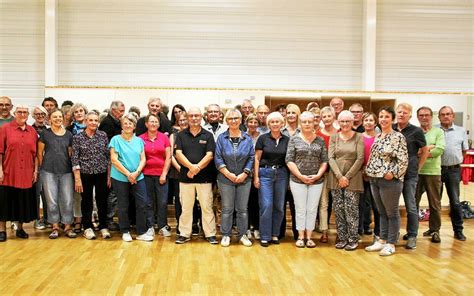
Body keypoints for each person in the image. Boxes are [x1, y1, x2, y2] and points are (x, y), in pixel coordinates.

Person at [365, 106, 408, 256]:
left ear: (393, 119)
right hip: (374, 178)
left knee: (392, 212)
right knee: (381, 211)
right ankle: (382, 240)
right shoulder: (378, 136)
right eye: (381, 116)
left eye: (387, 117)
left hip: (389, 180)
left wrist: (393, 173)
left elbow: (403, 160)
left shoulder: (398, 137)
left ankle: (391, 243)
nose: (383, 119)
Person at [174, 107, 218, 244]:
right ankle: (184, 233)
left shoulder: (208, 135)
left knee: (207, 207)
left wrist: (197, 168)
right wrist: (191, 167)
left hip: (204, 178)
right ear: (187, 117)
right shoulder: (180, 135)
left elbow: (210, 155)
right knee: (186, 207)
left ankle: (210, 233)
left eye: (197, 116)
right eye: (191, 116)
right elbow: (178, 154)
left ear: (201, 117)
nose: (194, 118)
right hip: (186, 178)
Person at [286, 111, 328, 248]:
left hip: (317, 181)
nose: (307, 124)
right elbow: (289, 160)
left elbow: (324, 161)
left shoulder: (320, 140)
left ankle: (309, 237)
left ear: (314, 123)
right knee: (300, 208)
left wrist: (318, 175)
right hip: (297, 180)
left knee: (312, 209)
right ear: (300, 123)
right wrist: (300, 176)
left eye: (310, 121)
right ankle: (300, 236)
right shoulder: (294, 139)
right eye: (304, 122)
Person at [215, 109, 255, 247]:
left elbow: (251, 157)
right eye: (230, 118)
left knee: (242, 209)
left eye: (236, 118)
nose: (233, 121)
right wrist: (229, 174)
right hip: (225, 179)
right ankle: (226, 235)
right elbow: (218, 158)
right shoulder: (221, 138)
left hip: (244, 179)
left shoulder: (247, 138)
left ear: (240, 120)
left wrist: (245, 173)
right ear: (226, 121)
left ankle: (242, 234)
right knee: (227, 208)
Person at [109, 113, 152, 242]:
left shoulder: (139, 141)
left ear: (134, 126)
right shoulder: (115, 140)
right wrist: (128, 174)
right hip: (120, 177)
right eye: (125, 123)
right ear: (122, 125)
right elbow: (114, 160)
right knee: (123, 205)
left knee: (142, 203)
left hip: (138, 176)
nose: (128, 125)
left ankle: (141, 231)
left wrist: (136, 173)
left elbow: (143, 158)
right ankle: (125, 230)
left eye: (130, 123)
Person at [0, 105, 38, 242]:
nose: (22, 114)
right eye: (19, 112)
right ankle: (2, 230)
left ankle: (20, 228)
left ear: (28, 115)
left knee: (22, 201)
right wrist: (0, 170)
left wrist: (35, 171)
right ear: (14, 113)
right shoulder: (5, 129)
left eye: (25, 112)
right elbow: (0, 151)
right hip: (9, 172)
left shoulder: (32, 131)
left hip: (27, 172)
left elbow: (36, 155)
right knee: (4, 201)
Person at [328, 111, 364, 251]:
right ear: (338, 122)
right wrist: (339, 176)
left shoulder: (358, 137)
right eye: (342, 121)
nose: (345, 124)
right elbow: (330, 157)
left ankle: (353, 238)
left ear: (352, 122)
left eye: (347, 121)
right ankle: (342, 237)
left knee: (351, 209)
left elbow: (360, 158)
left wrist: (346, 177)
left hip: (353, 179)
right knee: (338, 209)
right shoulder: (334, 137)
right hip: (335, 178)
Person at [393, 103, 428, 249]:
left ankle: (412, 235)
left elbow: (424, 151)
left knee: (411, 207)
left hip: (410, 174)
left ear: (410, 115)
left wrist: (418, 168)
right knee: (392, 207)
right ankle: (393, 235)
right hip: (393, 174)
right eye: (399, 112)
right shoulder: (391, 128)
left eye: (405, 113)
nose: (401, 114)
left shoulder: (416, 131)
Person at [72, 111, 111, 240]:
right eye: (91, 120)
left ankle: (103, 226)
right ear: (85, 122)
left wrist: (109, 176)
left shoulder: (103, 135)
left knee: (102, 201)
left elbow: (107, 156)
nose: (93, 123)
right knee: (87, 201)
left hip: (101, 173)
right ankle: (87, 227)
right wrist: (77, 179)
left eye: (96, 120)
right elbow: (75, 158)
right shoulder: (78, 137)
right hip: (85, 174)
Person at [38, 109, 77, 239]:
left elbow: (71, 154)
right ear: (50, 119)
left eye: (60, 116)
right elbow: (40, 153)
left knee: (67, 200)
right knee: (51, 200)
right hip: (48, 171)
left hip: (66, 171)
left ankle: (67, 226)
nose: (58, 119)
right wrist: (43, 168)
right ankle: (55, 226)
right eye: (55, 117)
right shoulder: (45, 133)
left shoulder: (69, 135)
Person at [254, 112, 289, 247]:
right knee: (266, 205)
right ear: (268, 124)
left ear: (282, 123)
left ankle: (274, 234)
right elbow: (257, 159)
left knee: (279, 207)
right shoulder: (262, 138)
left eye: (277, 121)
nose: (275, 124)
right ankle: (265, 236)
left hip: (281, 174)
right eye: (272, 122)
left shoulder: (287, 140)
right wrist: (256, 177)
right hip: (265, 173)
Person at [436, 106, 467, 241]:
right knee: (435, 201)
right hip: (436, 170)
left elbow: (464, 151)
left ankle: (458, 230)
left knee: (455, 201)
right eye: (442, 114)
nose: (445, 116)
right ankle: (434, 230)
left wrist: (455, 161)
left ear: (453, 116)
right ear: (439, 117)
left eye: (448, 114)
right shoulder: (434, 130)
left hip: (454, 170)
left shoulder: (460, 131)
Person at [415, 106, 445, 243]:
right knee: (413, 203)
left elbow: (439, 150)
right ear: (417, 117)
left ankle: (435, 230)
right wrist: (428, 148)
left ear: (431, 116)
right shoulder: (415, 132)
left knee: (434, 204)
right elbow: (412, 151)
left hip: (433, 173)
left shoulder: (438, 132)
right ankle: (412, 231)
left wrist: (422, 151)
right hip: (416, 172)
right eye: (421, 115)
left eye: (426, 115)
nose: (424, 118)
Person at [139, 114, 172, 237]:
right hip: (145, 175)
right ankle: (150, 227)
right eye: (151, 121)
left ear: (158, 124)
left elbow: (168, 157)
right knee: (148, 202)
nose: (153, 124)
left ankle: (162, 226)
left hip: (161, 175)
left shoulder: (164, 138)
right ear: (146, 124)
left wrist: (164, 173)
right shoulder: (140, 138)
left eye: (155, 122)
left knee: (162, 202)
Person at [99, 100, 125, 231]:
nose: (122, 113)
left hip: (117, 162)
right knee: (111, 193)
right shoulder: (107, 123)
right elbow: (107, 146)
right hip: (110, 163)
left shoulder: (116, 122)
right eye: (121, 111)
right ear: (113, 110)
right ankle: (108, 220)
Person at [317, 106, 337, 243]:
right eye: (324, 116)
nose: (327, 119)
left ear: (334, 117)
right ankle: (324, 231)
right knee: (323, 204)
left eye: (329, 116)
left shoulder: (340, 133)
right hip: (323, 173)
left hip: (338, 174)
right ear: (321, 119)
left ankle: (341, 232)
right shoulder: (317, 134)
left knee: (339, 204)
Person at [280, 104, 301, 240]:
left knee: (297, 206)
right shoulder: (280, 131)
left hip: (299, 173)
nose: (291, 115)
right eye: (289, 112)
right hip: (282, 172)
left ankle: (297, 233)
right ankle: (280, 232)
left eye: (294, 112)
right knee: (280, 205)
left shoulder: (303, 131)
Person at [68, 103, 89, 233]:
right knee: (77, 195)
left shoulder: (92, 126)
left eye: (81, 111)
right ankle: (78, 220)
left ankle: (90, 218)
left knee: (90, 195)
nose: (79, 113)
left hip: (91, 167)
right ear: (73, 115)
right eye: (76, 112)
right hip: (75, 166)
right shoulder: (69, 129)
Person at [361, 112, 380, 241]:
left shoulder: (380, 137)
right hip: (360, 174)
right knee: (361, 204)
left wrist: (372, 171)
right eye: (366, 120)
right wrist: (362, 170)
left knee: (377, 205)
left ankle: (378, 233)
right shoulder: (358, 137)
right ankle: (360, 228)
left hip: (376, 175)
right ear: (363, 122)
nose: (368, 122)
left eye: (371, 120)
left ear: (375, 123)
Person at [31, 106, 49, 229]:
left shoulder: (50, 129)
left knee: (48, 193)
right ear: (33, 116)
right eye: (37, 114)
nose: (40, 116)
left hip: (49, 165)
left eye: (42, 114)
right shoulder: (30, 130)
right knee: (36, 193)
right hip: (34, 166)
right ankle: (37, 219)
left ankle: (48, 218)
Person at [245, 113, 261, 240]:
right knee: (245, 203)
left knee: (256, 202)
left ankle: (256, 227)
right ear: (247, 123)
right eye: (251, 122)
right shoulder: (243, 136)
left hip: (257, 173)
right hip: (244, 173)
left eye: (255, 122)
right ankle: (246, 227)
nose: (253, 124)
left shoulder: (262, 137)